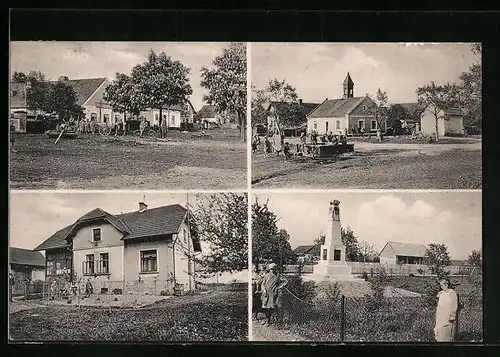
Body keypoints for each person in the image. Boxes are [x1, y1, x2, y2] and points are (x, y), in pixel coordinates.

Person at [434, 277, 458, 342]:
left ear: (447, 285)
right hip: (441, 317)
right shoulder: (442, 293)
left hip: (448, 317)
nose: (441, 287)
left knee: (447, 334)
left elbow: (454, 305)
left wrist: (452, 315)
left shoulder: (452, 293)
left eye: (442, 285)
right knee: (440, 332)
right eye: (440, 285)